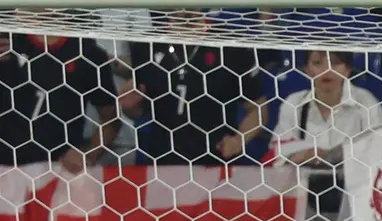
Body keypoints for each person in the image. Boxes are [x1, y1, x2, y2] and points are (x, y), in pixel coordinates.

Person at [271, 50, 382, 221]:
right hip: (305, 198)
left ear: (348, 70)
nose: (327, 70)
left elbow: (380, 153)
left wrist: (345, 156)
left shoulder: (365, 104)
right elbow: (278, 154)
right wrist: (300, 155)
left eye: (336, 63)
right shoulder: (294, 104)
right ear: (307, 70)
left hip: (353, 196)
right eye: (317, 62)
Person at [122, 10, 266, 165]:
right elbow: (140, 112)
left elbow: (258, 108)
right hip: (161, 163)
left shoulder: (230, 46)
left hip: (217, 162)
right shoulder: (146, 46)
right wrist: (130, 108)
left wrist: (238, 140)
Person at [0, 32, 118, 172]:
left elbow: (112, 119)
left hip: (58, 173)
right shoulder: (8, 45)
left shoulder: (87, 53)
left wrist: (88, 156)